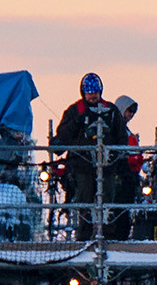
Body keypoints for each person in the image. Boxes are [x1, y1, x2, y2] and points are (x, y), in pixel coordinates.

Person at [53, 73, 125, 228]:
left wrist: (114, 155)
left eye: (95, 92)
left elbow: (121, 137)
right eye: (90, 92)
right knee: (85, 204)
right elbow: (62, 135)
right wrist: (77, 122)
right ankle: (84, 235)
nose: (93, 96)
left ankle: (107, 234)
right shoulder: (75, 111)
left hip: (107, 167)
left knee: (107, 203)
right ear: (83, 93)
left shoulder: (110, 110)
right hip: (82, 167)